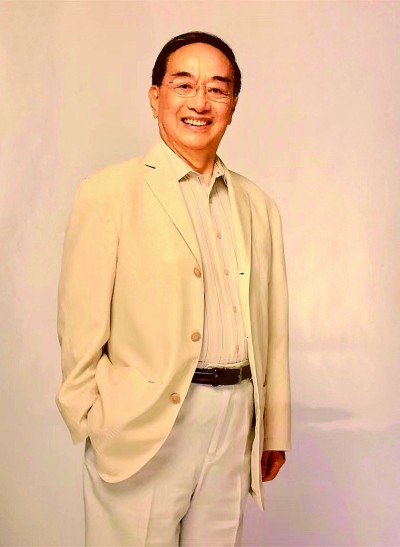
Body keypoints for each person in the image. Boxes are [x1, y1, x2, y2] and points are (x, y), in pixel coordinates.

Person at [56, 31, 291, 547]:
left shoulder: (257, 205)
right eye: (183, 84)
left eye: (218, 89)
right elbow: (80, 322)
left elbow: (272, 328)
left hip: (235, 419)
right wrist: (94, 416)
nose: (200, 102)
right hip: (144, 422)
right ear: (155, 96)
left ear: (233, 105)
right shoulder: (110, 192)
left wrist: (272, 428)